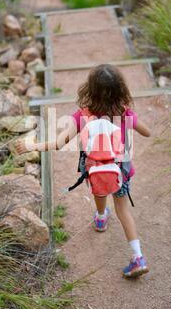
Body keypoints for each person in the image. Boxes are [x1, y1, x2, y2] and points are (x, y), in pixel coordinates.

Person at [16, 64, 151, 278]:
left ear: (89, 90)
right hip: (121, 173)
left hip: (96, 171)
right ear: (121, 90)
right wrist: (130, 118)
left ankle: (100, 217)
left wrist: (32, 147)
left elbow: (59, 143)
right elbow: (147, 132)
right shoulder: (125, 113)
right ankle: (138, 257)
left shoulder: (82, 116)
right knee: (123, 210)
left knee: (100, 193)